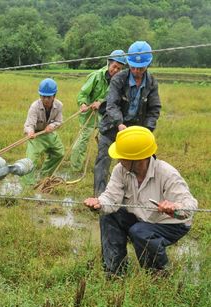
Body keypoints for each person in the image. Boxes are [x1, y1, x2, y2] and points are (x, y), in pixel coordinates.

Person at [84, 126, 197, 277]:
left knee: (139, 231)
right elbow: (111, 198)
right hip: (142, 218)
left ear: (138, 160)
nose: (118, 159)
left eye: (122, 156)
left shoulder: (166, 173)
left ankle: (157, 274)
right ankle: (115, 271)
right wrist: (99, 203)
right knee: (109, 216)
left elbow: (190, 205)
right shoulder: (120, 170)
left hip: (171, 224)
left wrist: (175, 207)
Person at [94, 41, 161, 196]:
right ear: (129, 64)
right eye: (133, 67)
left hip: (136, 128)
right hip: (112, 126)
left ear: (148, 65)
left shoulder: (151, 83)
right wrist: (119, 123)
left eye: (141, 68)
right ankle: (100, 198)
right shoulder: (119, 79)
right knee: (103, 161)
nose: (136, 71)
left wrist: (146, 130)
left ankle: (132, 197)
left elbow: (154, 109)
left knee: (138, 163)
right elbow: (111, 105)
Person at [70, 50, 126, 172]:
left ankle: (106, 169)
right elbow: (83, 94)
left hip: (106, 116)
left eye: (119, 68)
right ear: (108, 63)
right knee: (80, 144)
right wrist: (83, 103)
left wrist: (101, 103)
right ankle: (75, 169)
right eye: (114, 66)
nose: (116, 70)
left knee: (109, 142)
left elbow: (117, 100)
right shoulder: (96, 76)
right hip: (90, 116)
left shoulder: (120, 82)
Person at [21, 78, 65, 185]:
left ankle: (45, 176)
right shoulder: (34, 106)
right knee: (30, 160)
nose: (45, 99)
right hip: (36, 134)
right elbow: (29, 124)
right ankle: (28, 185)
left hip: (49, 133)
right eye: (43, 96)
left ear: (54, 95)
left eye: (48, 97)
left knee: (59, 153)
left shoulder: (59, 105)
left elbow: (59, 121)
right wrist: (30, 132)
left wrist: (52, 125)